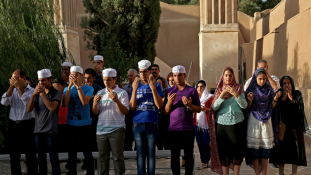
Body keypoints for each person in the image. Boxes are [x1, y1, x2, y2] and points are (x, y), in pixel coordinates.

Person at [208, 67, 247, 175]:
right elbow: (214, 108)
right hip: (222, 125)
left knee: (237, 152)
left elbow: (244, 105)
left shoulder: (238, 88)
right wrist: (221, 95)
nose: (228, 77)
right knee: (224, 153)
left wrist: (236, 94)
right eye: (226, 75)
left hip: (237, 124)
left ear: (233, 76)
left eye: (230, 75)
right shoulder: (219, 88)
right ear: (223, 77)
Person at [164, 65, 201, 175]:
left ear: (184, 75)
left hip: (188, 129)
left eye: (179, 75)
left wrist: (190, 106)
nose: (177, 78)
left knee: (188, 156)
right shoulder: (169, 91)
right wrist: (169, 102)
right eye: (175, 75)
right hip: (174, 130)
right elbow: (166, 111)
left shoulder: (192, 91)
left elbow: (198, 109)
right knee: (174, 157)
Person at [269, 75, 309, 175]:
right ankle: (281, 172)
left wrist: (291, 98)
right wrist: (282, 98)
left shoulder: (297, 94)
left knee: (295, 152)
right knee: (281, 152)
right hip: (282, 129)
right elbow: (274, 109)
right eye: (284, 83)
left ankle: (294, 173)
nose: (287, 85)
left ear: (291, 84)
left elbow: (300, 110)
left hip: (295, 128)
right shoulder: (279, 93)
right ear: (281, 85)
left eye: (288, 83)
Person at [92, 68, 129, 175]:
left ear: (115, 79)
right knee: (103, 159)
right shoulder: (100, 92)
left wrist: (116, 100)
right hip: (101, 131)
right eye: (104, 80)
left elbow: (125, 111)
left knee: (118, 158)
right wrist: (94, 104)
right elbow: (95, 112)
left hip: (117, 129)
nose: (106, 82)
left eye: (109, 79)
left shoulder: (122, 93)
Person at [130, 60, 164, 175]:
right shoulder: (135, 85)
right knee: (140, 155)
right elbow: (132, 107)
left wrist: (153, 88)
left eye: (145, 72)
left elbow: (159, 105)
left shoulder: (157, 85)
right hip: (138, 124)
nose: (142, 75)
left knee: (151, 154)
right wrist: (134, 90)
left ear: (150, 72)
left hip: (152, 123)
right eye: (140, 72)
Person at [1, 70, 38, 175]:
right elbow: (4, 102)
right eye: (13, 79)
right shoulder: (12, 90)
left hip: (27, 124)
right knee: (14, 154)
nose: (14, 81)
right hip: (14, 125)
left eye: (17, 79)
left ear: (24, 79)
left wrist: (20, 88)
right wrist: (11, 87)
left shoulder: (32, 91)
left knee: (30, 153)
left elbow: (27, 102)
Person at [245, 68, 281, 175]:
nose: (262, 81)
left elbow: (272, 107)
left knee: (265, 150)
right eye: (260, 79)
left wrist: (275, 99)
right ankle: (257, 173)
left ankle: (264, 173)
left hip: (267, 121)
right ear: (255, 78)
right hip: (254, 121)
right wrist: (250, 101)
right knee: (255, 149)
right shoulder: (251, 89)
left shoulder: (270, 90)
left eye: (264, 79)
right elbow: (247, 108)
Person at [27, 69, 62, 175]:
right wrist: (33, 95)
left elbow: (52, 108)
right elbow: (29, 109)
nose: (41, 83)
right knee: (41, 161)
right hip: (38, 131)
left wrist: (42, 94)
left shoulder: (56, 93)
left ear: (50, 80)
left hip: (51, 132)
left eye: (43, 81)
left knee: (53, 160)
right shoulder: (37, 93)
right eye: (39, 81)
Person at [62, 66, 95, 175]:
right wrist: (70, 86)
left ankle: (90, 172)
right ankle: (72, 172)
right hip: (71, 124)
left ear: (81, 76)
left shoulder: (88, 88)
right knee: (72, 153)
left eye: (76, 75)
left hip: (85, 124)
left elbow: (85, 102)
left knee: (87, 151)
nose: (73, 77)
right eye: (72, 75)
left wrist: (77, 87)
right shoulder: (67, 89)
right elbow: (65, 104)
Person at [194, 80, 213, 170]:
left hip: (206, 125)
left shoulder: (209, 97)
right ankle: (204, 161)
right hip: (196, 123)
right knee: (199, 143)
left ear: (205, 87)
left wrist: (205, 109)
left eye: (202, 86)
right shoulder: (194, 97)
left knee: (206, 143)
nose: (200, 88)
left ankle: (209, 159)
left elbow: (213, 109)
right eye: (198, 86)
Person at [84, 68, 103, 152]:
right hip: (84, 117)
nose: (87, 80)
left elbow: (98, 101)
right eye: (85, 78)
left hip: (94, 118)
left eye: (89, 78)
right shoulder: (82, 88)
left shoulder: (98, 89)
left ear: (94, 78)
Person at [52, 78, 68, 153]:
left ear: (63, 86)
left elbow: (62, 104)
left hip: (65, 123)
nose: (55, 88)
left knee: (65, 145)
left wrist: (58, 92)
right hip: (54, 123)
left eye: (58, 86)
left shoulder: (66, 94)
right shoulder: (51, 95)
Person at [123, 69, 138, 151]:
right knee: (128, 132)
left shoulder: (140, 87)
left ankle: (137, 150)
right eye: (128, 75)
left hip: (137, 112)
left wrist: (133, 92)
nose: (129, 77)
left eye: (131, 75)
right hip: (127, 113)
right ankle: (127, 151)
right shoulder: (124, 88)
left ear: (136, 76)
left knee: (137, 132)